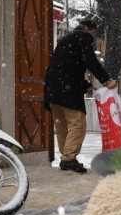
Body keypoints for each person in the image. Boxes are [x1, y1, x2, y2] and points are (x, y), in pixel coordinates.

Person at [43, 18, 116, 174]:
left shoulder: (65, 40)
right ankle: (69, 159)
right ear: (92, 30)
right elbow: (90, 60)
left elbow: (67, 67)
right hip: (68, 92)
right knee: (78, 125)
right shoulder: (84, 37)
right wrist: (106, 80)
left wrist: (86, 86)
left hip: (52, 90)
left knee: (62, 127)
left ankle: (66, 157)